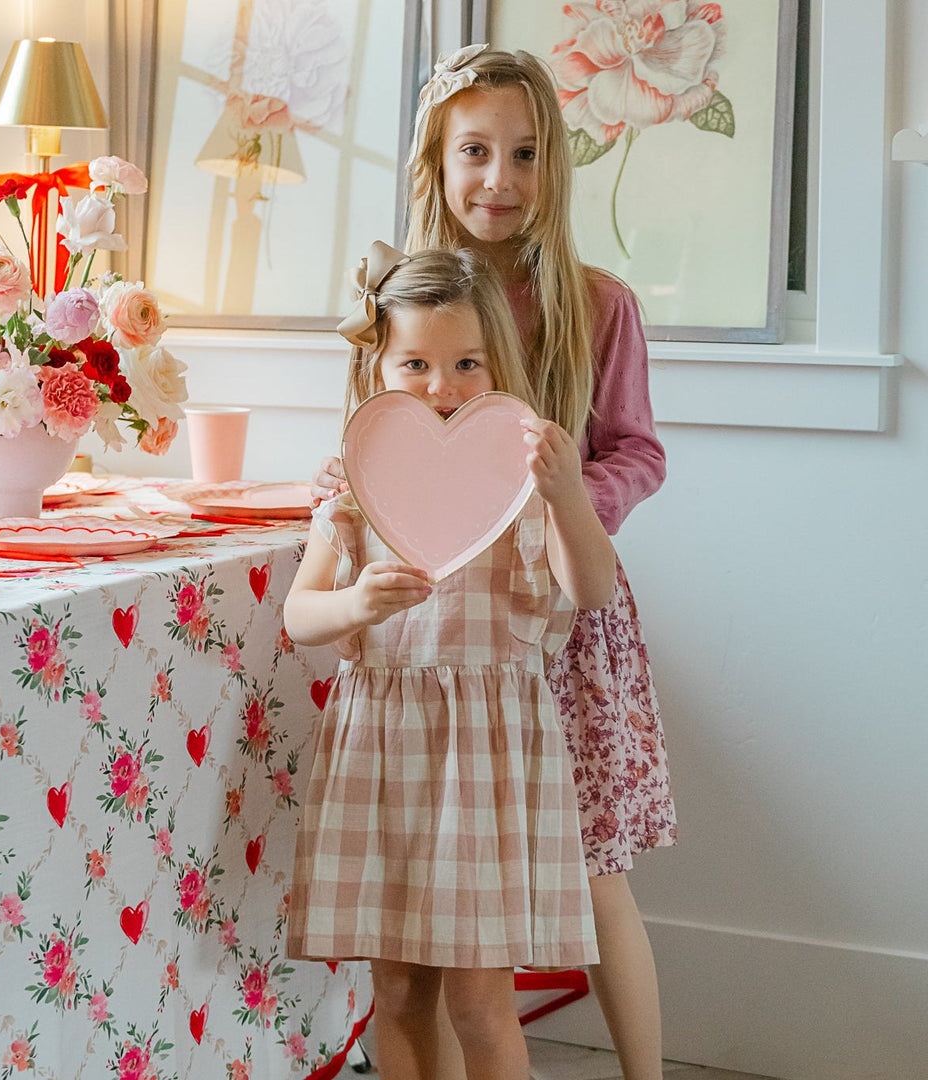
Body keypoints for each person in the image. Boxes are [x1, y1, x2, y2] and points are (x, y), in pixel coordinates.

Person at [311, 46, 676, 1080]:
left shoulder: (597, 303)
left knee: (590, 865)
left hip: (556, 602)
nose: (499, 179)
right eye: (475, 151)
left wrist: (558, 501)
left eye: (524, 154)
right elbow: (372, 438)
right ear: (437, 160)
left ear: (554, 162)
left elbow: (637, 451)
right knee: (436, 898)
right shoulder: (405, 300)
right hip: (437, 622)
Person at [285, 243, 616, 1080]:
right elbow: (300, 613)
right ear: (377, 368)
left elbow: (593, 588)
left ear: (499, 361)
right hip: (384, 756)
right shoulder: (355, 491)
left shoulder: (523, 485)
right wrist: (357, 605)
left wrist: (567, 493)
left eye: (468, 362)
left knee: (478, 1001)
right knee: (398, 991)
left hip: (486, 765)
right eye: (416, 364)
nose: (442, 386)